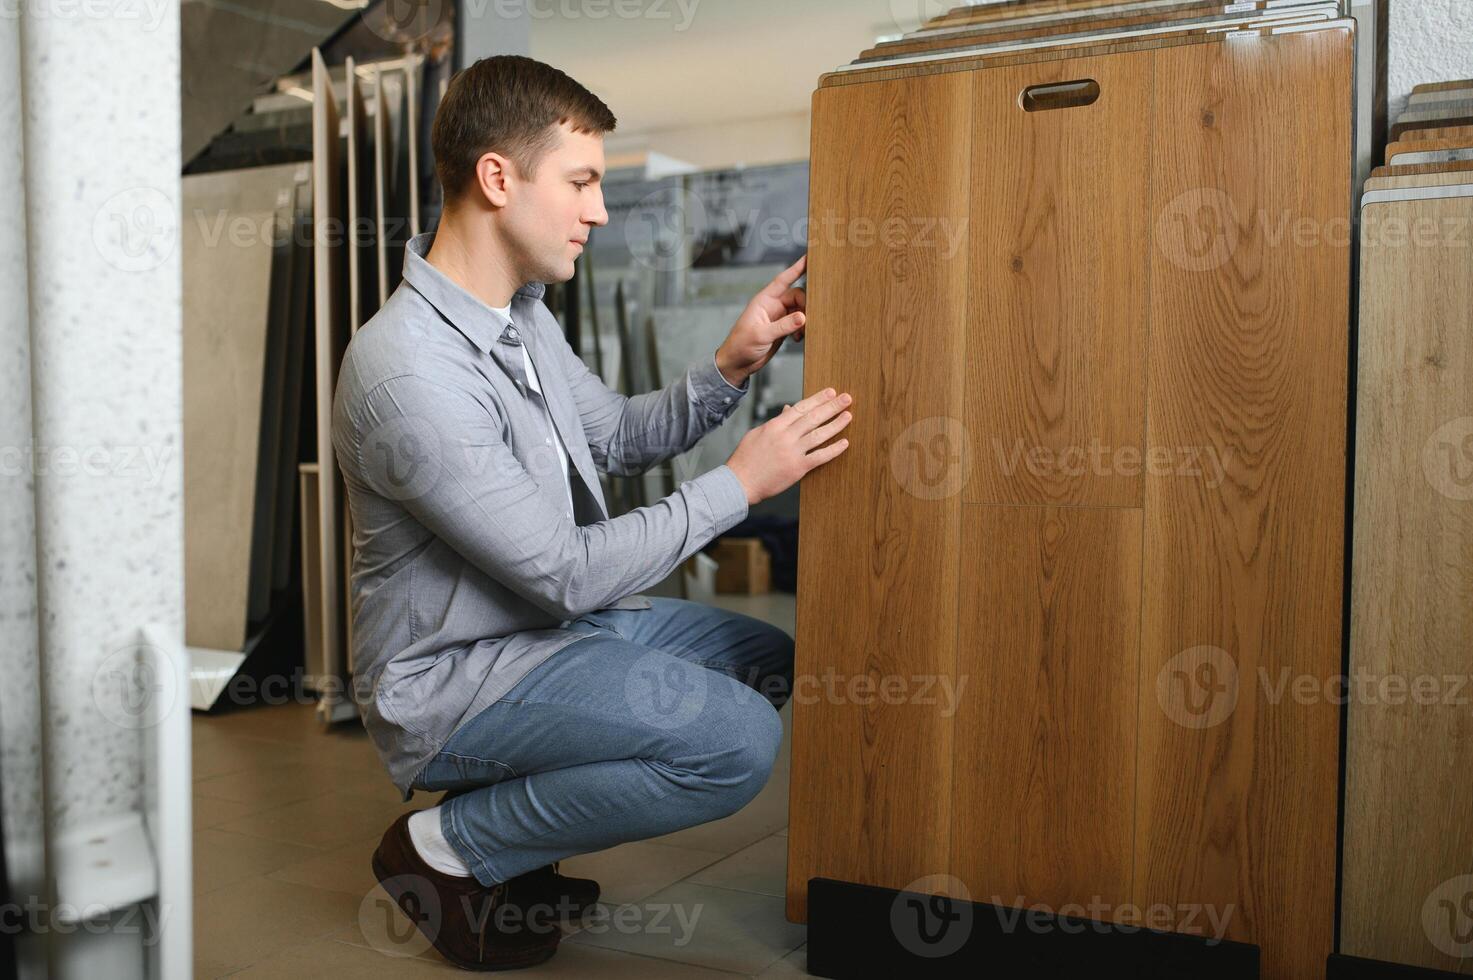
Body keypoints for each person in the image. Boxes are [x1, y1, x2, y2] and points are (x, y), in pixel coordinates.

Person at [331, 54, 853, 970]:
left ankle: (516, 853)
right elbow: (565, 573)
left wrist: (731, 363)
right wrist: (739, 483)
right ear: (499, 178)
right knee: (734, 743)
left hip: (542, 634)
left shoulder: (520, 316)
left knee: (767, 658)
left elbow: (611, 435)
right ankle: (448, 848)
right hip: (458, 680)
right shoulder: (409, 373)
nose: (598, 210)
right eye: (581, 182)